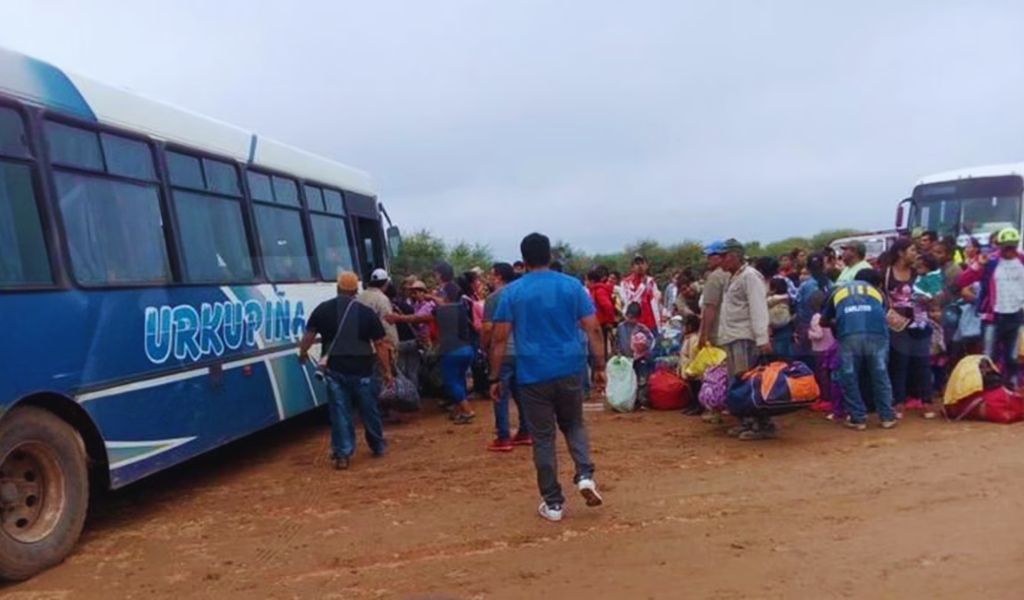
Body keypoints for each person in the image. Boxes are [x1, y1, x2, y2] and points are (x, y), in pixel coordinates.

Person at [490, 233, 607, 523]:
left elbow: (500, 339)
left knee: (543, 438)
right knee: (574, 424)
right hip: (569, 367)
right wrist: (600, 365)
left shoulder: (512, 293)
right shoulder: (572, 286)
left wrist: (494, 377)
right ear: (549, 253)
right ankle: (584, 475)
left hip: (532, 373)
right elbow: (593, 329)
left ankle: (553, 503)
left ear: (524, 259)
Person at [298, 271, 392, 470]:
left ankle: (342, 454)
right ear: (356, 291)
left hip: (335, 371)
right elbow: (380, 344)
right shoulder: (366, 313)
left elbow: (308, 335)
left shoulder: (322, 310)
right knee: (369, 411)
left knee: (340, 413)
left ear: (337, 288)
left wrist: (303, 352)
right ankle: (377, 444)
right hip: (363, 371)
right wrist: (387, 371)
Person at [820, 269, 898, 430]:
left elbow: (823, 321)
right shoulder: (878, 292)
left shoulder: (838, 291)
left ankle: (858, 418)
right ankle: (887, 416)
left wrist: (839, 321)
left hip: (849, 335)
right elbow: (885, 314)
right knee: (880, 374)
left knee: (848, 376)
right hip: (877, 335)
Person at [717, 239, 772, 440]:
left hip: (745, 337)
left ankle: (760, 424)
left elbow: (758, 308)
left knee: (749, 382)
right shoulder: (733, 278)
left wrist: (762, 338)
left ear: (734, 256)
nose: (721, 260)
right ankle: (747, 421)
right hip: (733, 336)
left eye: (724, 256)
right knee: (738, 382)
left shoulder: (750, 277)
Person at [956, 227, 1024, 387]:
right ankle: (989, 389)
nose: (1009, 250)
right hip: (993, 316)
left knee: (1012, 357)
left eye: (1012, 245)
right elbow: (962, 281)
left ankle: (1011, 390)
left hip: (1016, 316)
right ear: (999, 245)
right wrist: (978, 265)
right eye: (1006, 246)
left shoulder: (1022, 261)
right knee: (988, 356)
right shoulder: (990, 262)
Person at [481, 262, 531, 452]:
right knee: (521, 393)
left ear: (499, 277)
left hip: (503, 352)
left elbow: (487, 329)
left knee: (499, 393)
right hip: (524, 351)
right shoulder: (523, 295)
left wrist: (484, 346)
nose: (489, 278)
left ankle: (503, 436)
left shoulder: (494, 298)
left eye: (491, 275)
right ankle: (525, 431)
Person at [884, 238, 936, 419]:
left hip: (920, 323)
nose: (915, 254)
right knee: (900, 363)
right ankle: (899, 402)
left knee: (922, 363)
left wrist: (928, 300)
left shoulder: (919, 273)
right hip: (896, 325)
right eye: (912, 250)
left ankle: (927, 401)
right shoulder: (886, 273)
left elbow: (933, 292)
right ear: (900, 253)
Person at [698, 240, 729, 348]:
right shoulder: (733, 273)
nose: (708, 259)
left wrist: (704, 335)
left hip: (718, 333)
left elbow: (710, 307)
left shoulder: (715, 277)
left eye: (710, 255)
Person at [620, 255, 661, 334]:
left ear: (647, 266)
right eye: (637, 263)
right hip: (635, 323)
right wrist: (642, 286)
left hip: (652, 323)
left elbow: (656, 302)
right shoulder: (626, 283)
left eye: (642, 263)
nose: (640, 266)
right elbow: (630, 302)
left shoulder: (651, 281)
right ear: (632, 267)